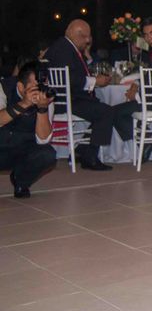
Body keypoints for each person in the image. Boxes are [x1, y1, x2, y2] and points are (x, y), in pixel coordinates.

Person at [45, 19, 137, 170]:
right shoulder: (64, 49)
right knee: (106, 112)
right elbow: (69, 78)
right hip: (68, 101)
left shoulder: (63, 47)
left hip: (68, 98)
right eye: (85, 36)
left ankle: (82, 150)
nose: (88, 40)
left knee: (104, 109)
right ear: (75, 34)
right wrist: (95, 81)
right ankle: (90, 157)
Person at [0, 61, 57, 198]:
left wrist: (42, 109)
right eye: (35, 86)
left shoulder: (45, 99)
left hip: (22, 149)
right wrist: (24, 103)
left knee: (47, 154)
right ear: (20, 87)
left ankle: (21, 181)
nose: (40, 90)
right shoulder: (3, 88)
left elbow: (44, 140)